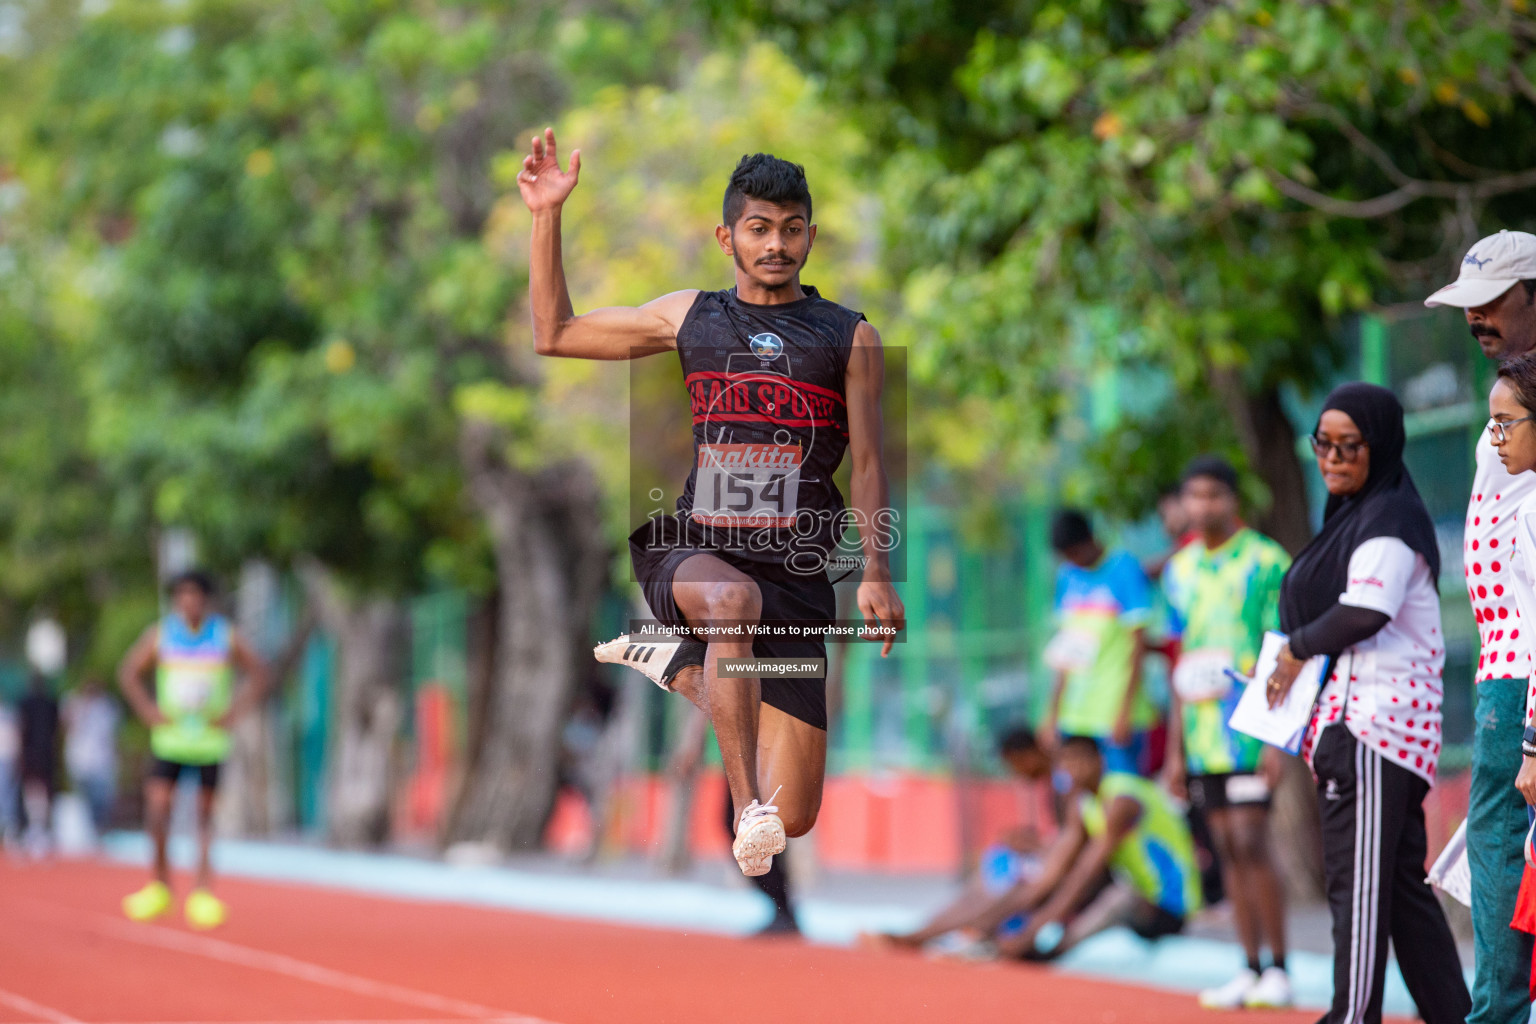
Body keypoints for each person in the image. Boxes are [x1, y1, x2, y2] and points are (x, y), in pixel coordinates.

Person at [514, 130, 904, 878]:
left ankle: (678, 668)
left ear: (812, 236)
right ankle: (743, 806)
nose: (776, 244)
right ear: (727, 236)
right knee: (732, 601)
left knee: (799, 813)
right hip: (696, 550)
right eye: (759, 228)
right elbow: (555, 333)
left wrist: (878, 572)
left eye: (792, 230)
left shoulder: (850, 337)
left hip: (794, 573)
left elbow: (871, 465)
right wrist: (547, 215)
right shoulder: (690, 316)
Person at [1266, 383, 1469, 1024]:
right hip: (1361, 729)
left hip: (1375, 732)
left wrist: (1296, 647)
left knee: (1359, 888)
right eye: (1321, 442)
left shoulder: (1388, 521)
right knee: (1402, 895)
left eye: (1348, 445)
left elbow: (1366, 610)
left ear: (1378, 446)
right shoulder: (1355, 517)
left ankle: (1350, 1017)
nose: (1331, 456)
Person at [1423, 229, 1536, 1024]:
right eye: (1466, 308)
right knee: (1498, 850)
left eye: (1491, 302)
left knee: (1499, 843)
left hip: (1525, 673)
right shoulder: (1510, 397)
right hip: (1505, 665)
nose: (1475, 321)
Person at [1160, 455, 1293, 1010]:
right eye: (1195, 496)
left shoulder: (1265, 561)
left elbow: (1283, 647)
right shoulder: (1179, 569)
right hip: (1201, 734)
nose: (1204, 506)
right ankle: (1248, 965)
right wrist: (1174, 750)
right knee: (1224, 846)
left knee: (1251, 839)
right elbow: (1179, 659)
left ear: (1233, 500)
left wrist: (1274, 739)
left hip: (1250, 731)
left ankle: (1280, 971)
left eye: (1214, 495)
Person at [118, 570, 270, 929]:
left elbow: (260, 673)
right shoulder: (162, 635)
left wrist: (235, 713)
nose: (189, 602)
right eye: (182, 595)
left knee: (204, 817)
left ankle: (202, 892)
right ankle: (159, 886)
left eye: (196, 594)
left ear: (206, 599)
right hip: (170, 741)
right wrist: (148, 711)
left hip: (208, 742)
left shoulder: (224, 636)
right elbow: (128, 672)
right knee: (158, 809)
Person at [859, 726, 1054, 951]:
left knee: (993, 890)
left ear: (1027, 755)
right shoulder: (1048, 785)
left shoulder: (1063, 784)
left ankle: (926, 936)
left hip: (1048, 868)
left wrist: (1035, 845)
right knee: (981, 884)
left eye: (1014, 765)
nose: (1016, 773)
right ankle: (921, 934)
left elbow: (1068, 846)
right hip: (1041, 862)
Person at [1038, 509, 1156, 775]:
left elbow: (1137, 647)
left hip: (1114, 712)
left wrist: (1124, 711)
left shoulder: (1124, 568)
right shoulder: (1066, 576)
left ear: (1091, 538)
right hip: (1076, 713)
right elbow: (1066, 651)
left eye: (1076, 553)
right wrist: (1052, 713)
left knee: (1122, 794)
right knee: (1077, 795)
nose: (1074, 561)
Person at [62, 677, 121, 836]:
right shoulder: (76, 704)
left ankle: (99, 830)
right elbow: (67, 724)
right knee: (84, 799)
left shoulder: (106, 707)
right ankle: (87, 831)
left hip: (101, 761)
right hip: (81, 760)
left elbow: (111, 735)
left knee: (101, 800)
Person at [18, 673, 60, 857]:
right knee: (42, 792)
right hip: (45, 753)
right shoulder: (50, 704)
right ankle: (38, 829)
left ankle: (38, 830)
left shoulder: (27, 704)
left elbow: (22, 728)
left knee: (35, 791)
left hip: (33, 753)